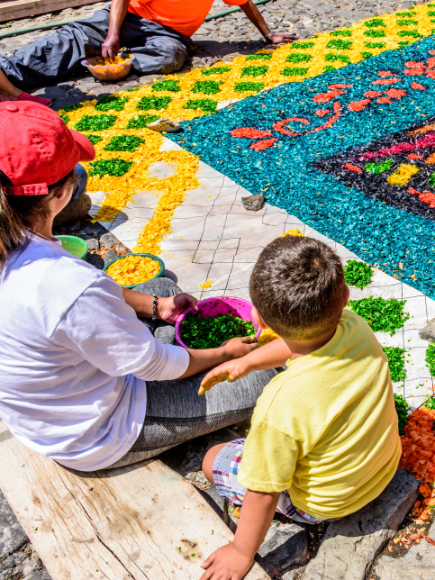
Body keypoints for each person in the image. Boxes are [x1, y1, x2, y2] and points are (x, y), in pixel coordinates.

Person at [0, 100, 277, 470]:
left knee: (161, 288)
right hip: (94, 433)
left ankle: (161, 320)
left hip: (50, 404)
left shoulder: (30, 256)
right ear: (63, 193)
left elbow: (89, 296)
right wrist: (227, 354)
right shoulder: (65, 285)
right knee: (265, 378)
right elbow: (155, 365)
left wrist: (154, 307)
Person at [198, 236, 401, 580]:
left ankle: (291, 519)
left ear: (258, 319)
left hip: (328, 504)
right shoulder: (355, 326)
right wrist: (249, 362)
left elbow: (264, 489)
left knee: (211, 458)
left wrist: (240, 552)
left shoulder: (280, 406)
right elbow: (299, 345)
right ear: (345, 297)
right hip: (383, 469)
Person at [0, 0, 295, 102]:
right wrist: (114, 33)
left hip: (169, 34)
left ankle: (112, 62)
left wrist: (268, 35)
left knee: (172, 57)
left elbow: (245, 3)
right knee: (73, 37)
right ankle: (9, 73)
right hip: (129, 16)